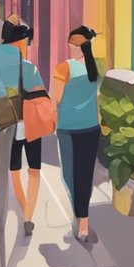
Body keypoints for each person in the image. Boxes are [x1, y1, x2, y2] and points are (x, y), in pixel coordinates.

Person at [0, 21, 46, 260]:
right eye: (26, 41)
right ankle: (28, 216)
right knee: (35, 170)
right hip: (33, 125)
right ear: (20, 42)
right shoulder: (30, 67)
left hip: (10, 125)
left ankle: (24, 207)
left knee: (14, 170)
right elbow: (41, 95)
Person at [53, 26, 103, 246]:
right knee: (84, 173)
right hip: (91, 127)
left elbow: (55, 98)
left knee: (70, 175)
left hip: (68, 129)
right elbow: (100, 96)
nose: (71, 46)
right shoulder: (97, 67)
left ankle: (81, 216)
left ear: (82, 45)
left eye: (74, 43)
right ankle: (82, 216)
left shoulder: (63, 68)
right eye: (70, 42)